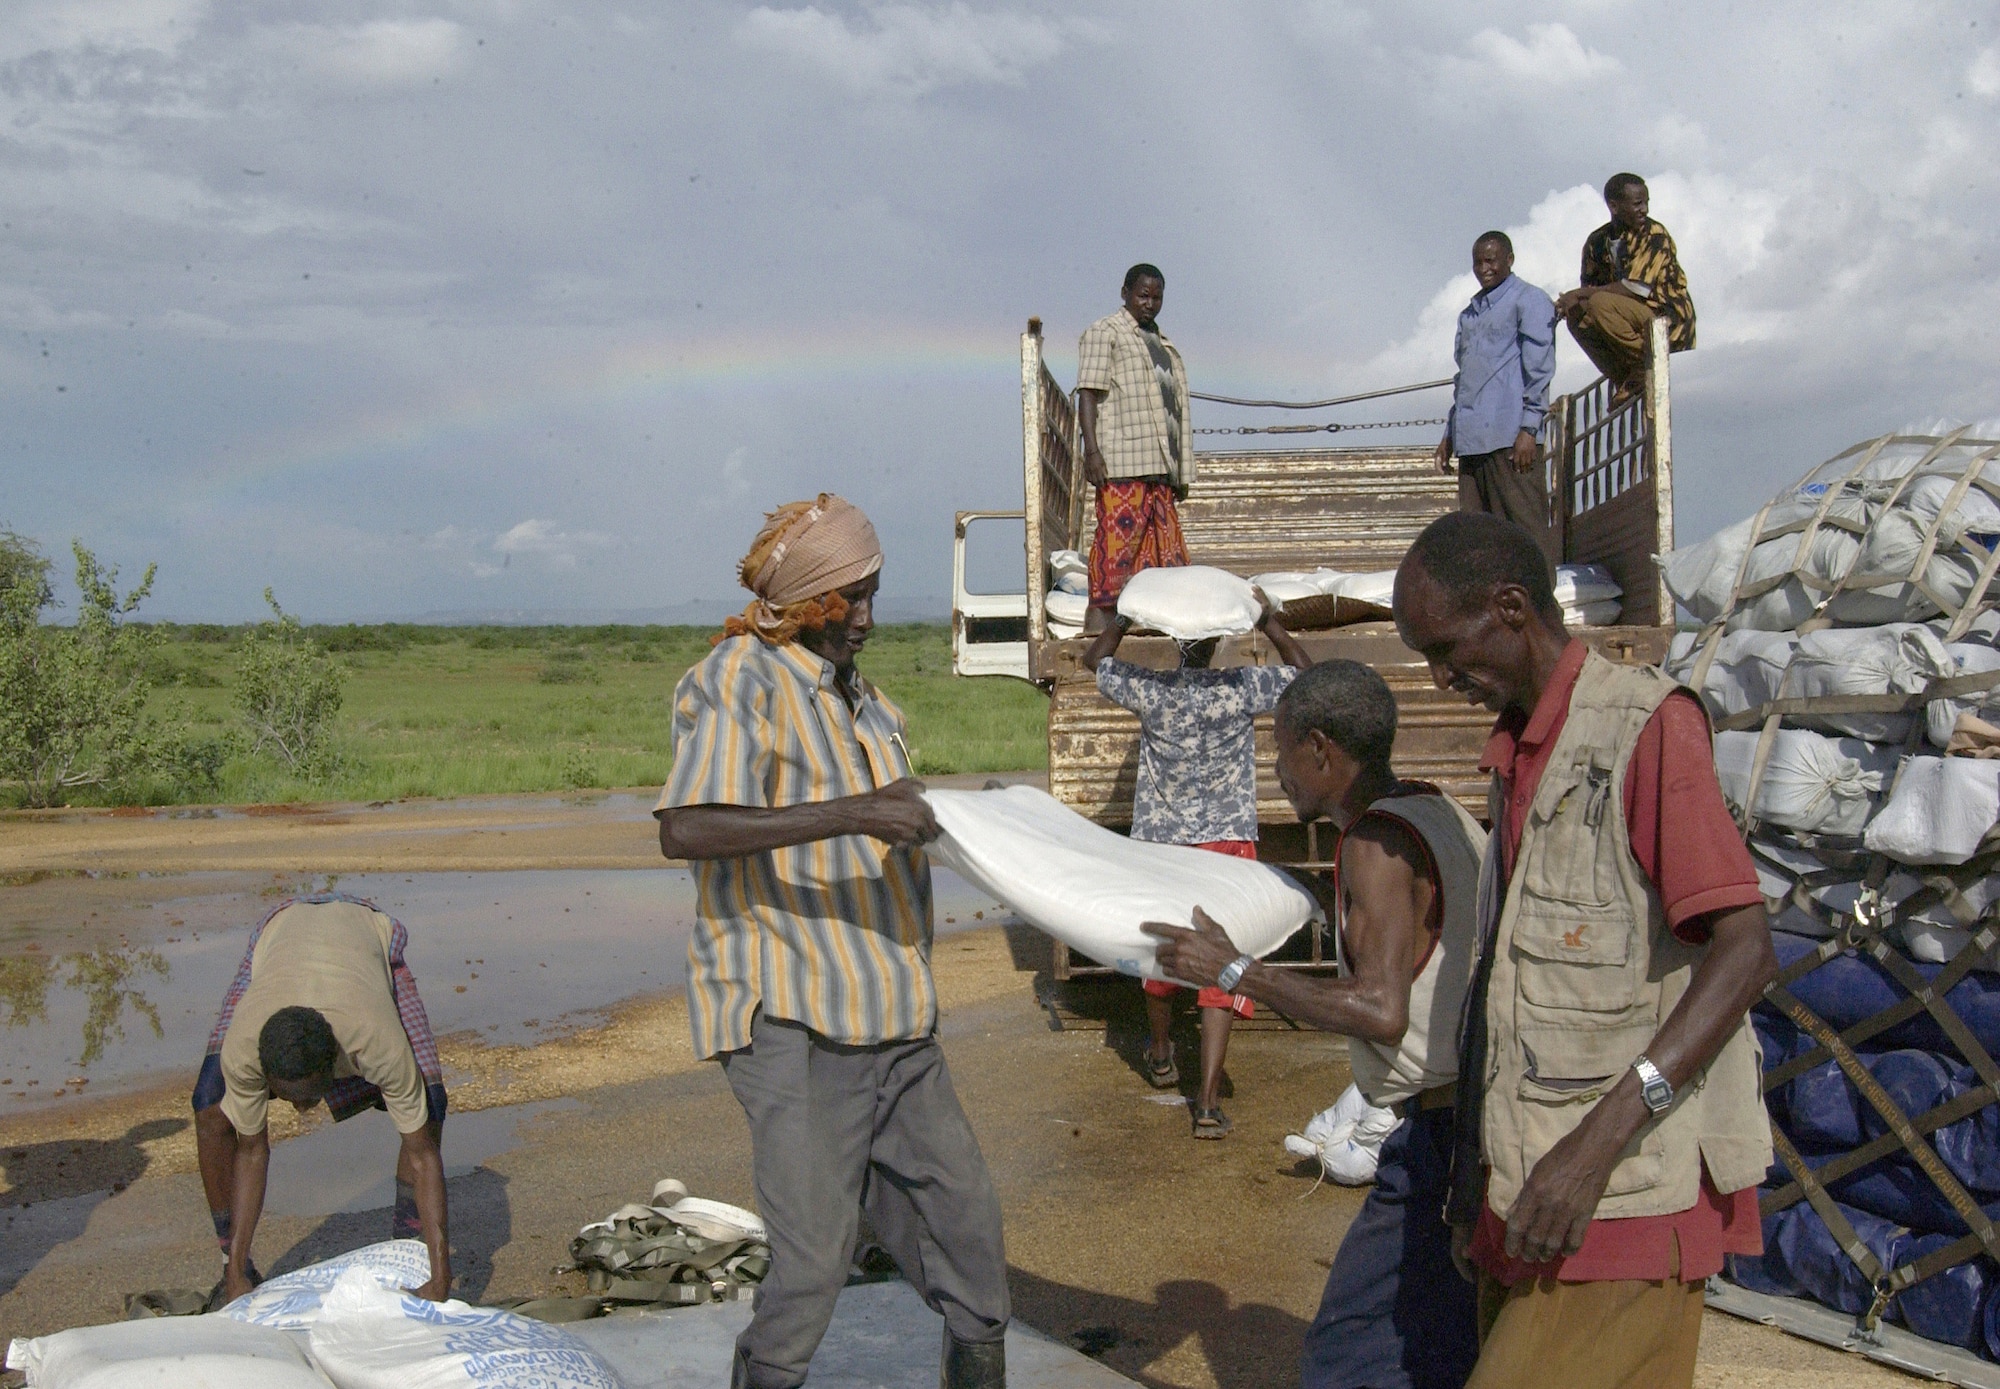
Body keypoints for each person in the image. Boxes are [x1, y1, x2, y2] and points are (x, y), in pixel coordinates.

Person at [1391, 512, 1775, 1389]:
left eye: (1448, 650)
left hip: (1619, 1196)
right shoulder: (1519, 755)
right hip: (1525, 1191)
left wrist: (1593, 1148)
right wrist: (1468, 1187)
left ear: (1513, 608)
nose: (1441, 677)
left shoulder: (1646, 729)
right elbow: (1506, 983)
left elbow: (1746, 951)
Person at [655, 494, 1009, 1389]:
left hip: (894, 1009)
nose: (864, 616)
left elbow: (888, 811)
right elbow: (687, 826)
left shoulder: (864, 700)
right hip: (795, 1017)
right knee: (815, 1262)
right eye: (846, 599)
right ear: (805, 601)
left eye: (872, 594)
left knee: (968, 1234)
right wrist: (855, 812)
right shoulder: (740, 677)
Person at [1144, 659, 1487, 1389]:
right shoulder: (1438, 807)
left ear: (1322, 750)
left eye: (1282, 751)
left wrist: (1238, 970)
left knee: (1347, 1351)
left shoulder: (1374, 843)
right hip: (1478, 1120)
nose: (1277, 771)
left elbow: (1380, 1009)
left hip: (1439, 1136)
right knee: (1441, 1345)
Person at [1081, 589, 1310, 1137]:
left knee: (1165, 950)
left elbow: (1096, 662)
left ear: (1176, 641)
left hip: (1162, 844)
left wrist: (1127, 617)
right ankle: (1206, 1102)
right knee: (1223, 964)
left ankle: (1161, 1052)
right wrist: (1271, 622)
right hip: (1227, 846)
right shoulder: (1241, 687)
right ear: (1217, 641)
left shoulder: (1152, 690)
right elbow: (1304, 675)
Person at [193, 893, 451, 1304]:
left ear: (335, 1065)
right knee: (209, 1105)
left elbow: (421, 1153)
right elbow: (251, 1151)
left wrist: (441, 1277)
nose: (298, 1111)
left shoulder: (374, 1039)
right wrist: (236, 1270)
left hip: (365, 936)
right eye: (287, 1097)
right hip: (280, 935)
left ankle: (407, 1251)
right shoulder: (244, 1047)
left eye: (307, 1098)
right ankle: (234, 1264)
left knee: (430, 1107)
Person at [1077, 263, 1195, 633]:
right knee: (1115, 558)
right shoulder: (1105, 332)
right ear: (1125, 293)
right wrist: (1092, 452)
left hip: (1158, 470)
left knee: (1165, 564)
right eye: (1143, 295)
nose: (1150, 304)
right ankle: (1095, 643)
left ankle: (1153, 639)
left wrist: (1178, 471)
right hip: (1122, 466)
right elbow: (1088, 394)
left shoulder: (1162, 344)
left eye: (1157, 297)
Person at [1434, 231, 1559, 567]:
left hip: (1510, 438)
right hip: (1473, 441)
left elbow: (1540, 369)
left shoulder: (1528, 300)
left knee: (1524, 530)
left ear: (1509, 260)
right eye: (1478, 262)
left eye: (1491, 260)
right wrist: (1450, 434)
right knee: (1478, 538)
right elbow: (1464, 380)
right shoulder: (1470, 314)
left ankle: (1541, 610)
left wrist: (1529, 431)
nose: (1483, 268)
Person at [1553, 174, 1696, 400]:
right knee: (1579, 315)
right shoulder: (1597, 242)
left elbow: (1635, 288)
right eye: (1638, 204)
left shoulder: (1654, 234)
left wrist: (1579, 293)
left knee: (1599, 303)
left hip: (1665, 321)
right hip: (1627, 323)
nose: (1644, 210)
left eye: (1646, 202)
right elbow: (1589, 293)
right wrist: (1569, 303)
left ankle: (1643, 366)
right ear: (1614, 206)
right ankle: (1625, 378)